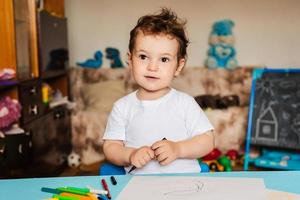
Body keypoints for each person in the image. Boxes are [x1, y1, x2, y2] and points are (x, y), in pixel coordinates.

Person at [102, 8, 214, 174]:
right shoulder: (122, 107)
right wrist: (130, 154)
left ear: (178, 66)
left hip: (186, 184)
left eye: (164, 59)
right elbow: (111, 147)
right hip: (139, 187)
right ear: (130, 60)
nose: (152, 67)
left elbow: (207, 141)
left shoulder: (185, 103)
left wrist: (178, 149)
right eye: (143, 57)